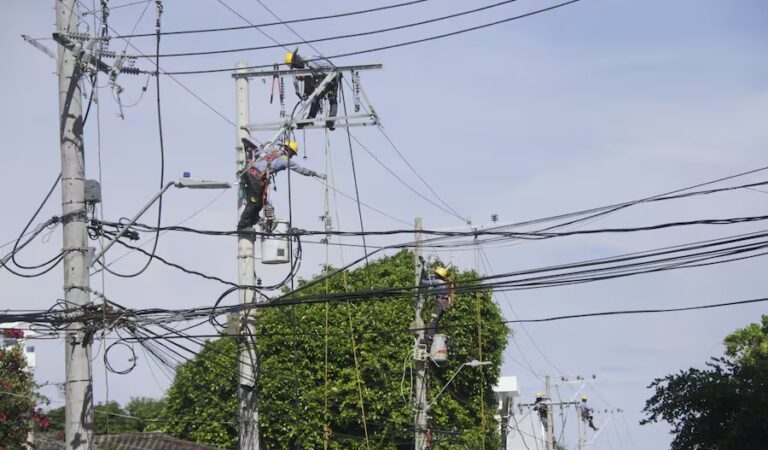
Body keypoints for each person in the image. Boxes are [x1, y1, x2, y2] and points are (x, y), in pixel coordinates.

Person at [237, 140, 326, 230]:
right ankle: (243, 225)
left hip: (249, 173)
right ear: (290, 151)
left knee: (259, 204)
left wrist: (261, 146)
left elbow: (256, 153)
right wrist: (314, 173)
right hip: (255, 177)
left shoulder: (272, 152)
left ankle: (251, 221)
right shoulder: (286, 160)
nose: (292, 156)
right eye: (292, 154)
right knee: (254, 202)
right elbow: (301, 170)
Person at [284, 49, 339, 130]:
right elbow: (310, 76)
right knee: (317, 97)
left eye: (294, 65)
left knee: (330, 97)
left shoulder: (307, 62)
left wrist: (306, 93)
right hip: (325, 75)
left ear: (296, 61)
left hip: (331, 75)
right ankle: (313, 120)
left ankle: (330, 120)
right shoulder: (306, 61)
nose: (296, 67)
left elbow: (308, 77)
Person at [419, 262, 454, 347]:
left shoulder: (438, 281)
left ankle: (429, 338)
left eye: (435, 274)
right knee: (435, 321)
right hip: (444, 305)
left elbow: (424, 282)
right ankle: (432, 337)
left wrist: (421, 272)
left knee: (432, 320)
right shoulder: (443, 283)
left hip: (440, 305)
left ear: (438, 275)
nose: (434, 275)